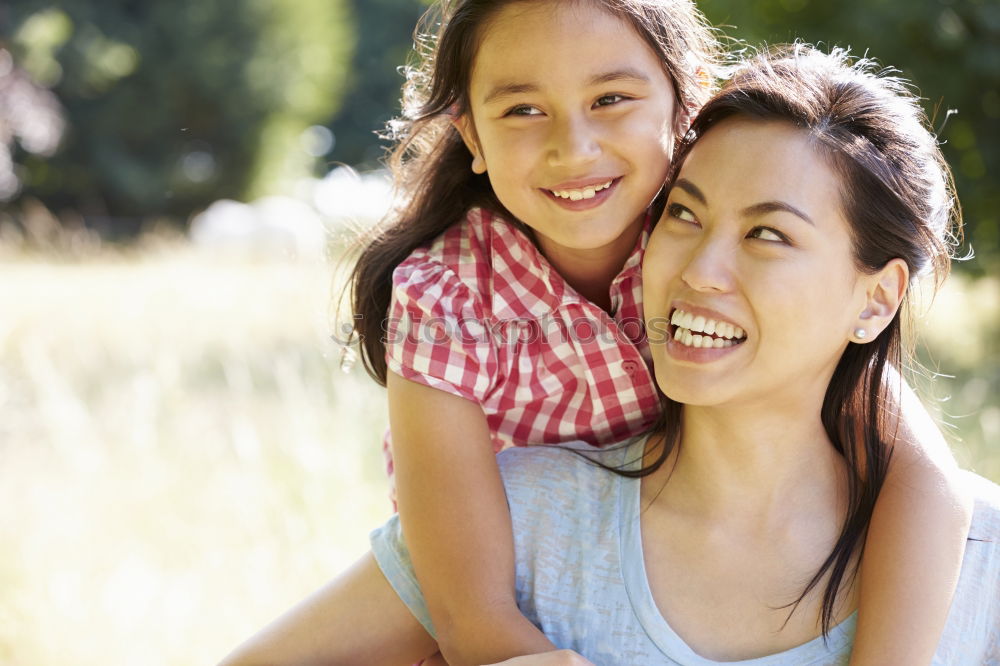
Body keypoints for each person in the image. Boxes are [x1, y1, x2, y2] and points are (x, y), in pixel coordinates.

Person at [221, 1, 971, 662]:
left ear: (686, 107)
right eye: (522, 110)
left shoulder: (698, 238)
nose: (572, 148)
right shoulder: (447, 295)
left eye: (610, 98)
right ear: (470, 135)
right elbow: (470, 615)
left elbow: (924, 474)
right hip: (505, 581)